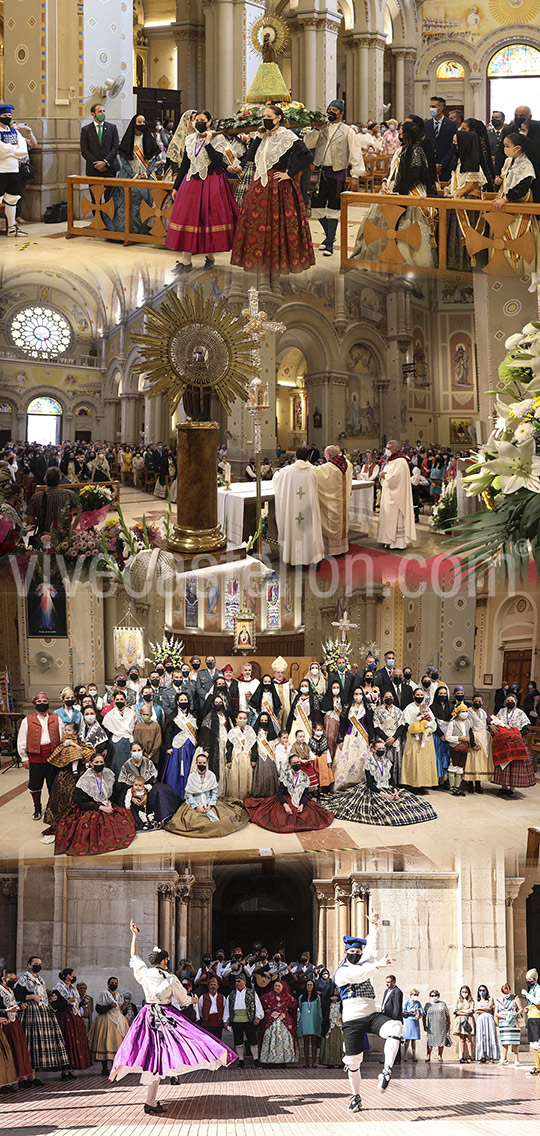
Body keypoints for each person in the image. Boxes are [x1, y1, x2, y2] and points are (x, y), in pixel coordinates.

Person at [111, 919, 234, 1115]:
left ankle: (150, 1100)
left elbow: (134, 956)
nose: (168, 962)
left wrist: (134, 935)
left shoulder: (144, 973)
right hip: (165, 1017)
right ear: (164, 960)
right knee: (185, 1043)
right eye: (167, 959)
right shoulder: (170, 978)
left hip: (147, 1016)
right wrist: (195, 1001)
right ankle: (151, 1101)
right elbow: (184, 1000)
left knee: (152, 1056)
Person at [231, 103, 315, 275]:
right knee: (257, 223)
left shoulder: (286, 136)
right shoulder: (263, 136)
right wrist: (259, 137)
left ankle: (278, 263)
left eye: (269, 117)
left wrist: (289, 173)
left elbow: (307, 156)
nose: (266, 120)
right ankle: (259, 262)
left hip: (278, 185)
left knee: (278, 224)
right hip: (259, 183)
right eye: (265, 117)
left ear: (279, 118)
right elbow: (250, 158)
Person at [334, 913, 402, 1113]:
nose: (356, 953)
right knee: (353, 1061)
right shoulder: (342, 972)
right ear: (346, 953)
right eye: (352, 951)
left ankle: (387, 1071)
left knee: (395, 1027)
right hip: (352, 1019)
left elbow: (372, 948)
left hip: (371, 1015)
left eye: (358, 951)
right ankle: (356, 1096)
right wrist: (378, 965)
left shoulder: (365, 963)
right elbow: (360, 974)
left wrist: (374, 925)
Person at [352, 121, 436, 268]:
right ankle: (378, 256)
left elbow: (414, 175)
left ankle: (404, 260)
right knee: (374, 224)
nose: (400, 134)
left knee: (406, 228)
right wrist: (384, 181)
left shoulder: (416, 150)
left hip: (409, 191)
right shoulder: (401, 149)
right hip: (390, 189)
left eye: (402, 131)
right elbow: (392, 170)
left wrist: (397, 191)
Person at [165, 109, 240, 272]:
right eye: (196, 120)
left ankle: (211, 256)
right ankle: (186, 261)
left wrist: (207, 143)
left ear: (209, 122)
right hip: (191, 183)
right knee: (188, 219)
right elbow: (185, 165)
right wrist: (176, 186)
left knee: (209, 219)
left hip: (212, 182)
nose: (198, 122)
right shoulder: (190, 139)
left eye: (202, 120)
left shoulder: (218, 138)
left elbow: (217, 162)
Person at [325, 738, 437, 826]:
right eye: (379, 748)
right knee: (389, 815)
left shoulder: (388, 762)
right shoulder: (369, 762)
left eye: (383, 749)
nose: (382, 751)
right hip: (375, 790)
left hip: (388, 787)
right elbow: (370, 784)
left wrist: (395, 791)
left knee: (420, 805)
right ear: (373, 749)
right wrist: (385, 795)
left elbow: (391, 780)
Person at [304, 99, 365, 257]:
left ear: (341, 114)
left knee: (333, 207)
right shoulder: (321, 129)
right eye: (329, 109)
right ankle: (330, 235)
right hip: (319, 171)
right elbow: (308, 143)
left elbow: (355, 153)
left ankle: (330, 243)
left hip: (337, 172)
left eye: (334, 110)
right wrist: (316, 130)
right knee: (316, 207)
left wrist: (355, 175)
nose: (331, 112)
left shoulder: (347, 131)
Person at [53, 751, 137, 856]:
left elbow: (112, 793)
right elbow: (80, 803)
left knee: (123, 821)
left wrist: (108, 803)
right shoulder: (85, 779)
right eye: (96, 762)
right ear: (91, 764)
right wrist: (99, 807)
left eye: (101, 762)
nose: (99, 764)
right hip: (90, 807)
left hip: (106, 803)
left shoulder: (108, 773)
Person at [165, 748, 249, 838]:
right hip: (194, 803)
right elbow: (189, 795)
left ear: (207, 763)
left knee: (222, 823)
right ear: (196, 763)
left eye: (204, 763)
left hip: (209, 802)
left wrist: (210, 805)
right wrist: (197, 807)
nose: (202, 765)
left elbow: (214, 793)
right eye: (200, 763)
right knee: (192, 822)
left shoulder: (211, 775)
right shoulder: (192, 777)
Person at [243, 750, 334, 833]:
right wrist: (285, 805)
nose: (297, 764)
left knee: (309, 817)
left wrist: (302, 804)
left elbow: (305, 793)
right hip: (286, 799)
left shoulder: (304, 776)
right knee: (284, 818)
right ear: (290, 765)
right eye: (294, 763)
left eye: (298, 762)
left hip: (300, 799)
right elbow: (280, 793)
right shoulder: (285, 775)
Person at [104, 114, 162, 234]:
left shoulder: (149, 138)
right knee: (126, 200)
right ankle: (124, 231)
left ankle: (144, 231)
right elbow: (124, 160)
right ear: (133, 124)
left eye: (143, 122)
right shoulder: (128, 140)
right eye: (139, 122)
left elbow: (154, 158)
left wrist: (147, 173)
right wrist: (133, 174)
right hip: (129, 175)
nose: (142, 124)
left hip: (146, 175)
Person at [14, 958, 70, 1078]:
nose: (38, 966)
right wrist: (32, 996)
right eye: (36, 964)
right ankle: (24, 1077)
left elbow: (42, 995)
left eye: (40, 964)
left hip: (42, 1011)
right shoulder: (25, 978)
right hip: (31, 1012)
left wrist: (50, 999)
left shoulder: (40, 978)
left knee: (38, 1045)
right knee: (30, 1042)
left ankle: (33, 1076)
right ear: (29, 965)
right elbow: (17, 995)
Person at [491, 133, 538, 274]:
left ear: (518, 148)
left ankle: (520, 271)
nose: (505, 149)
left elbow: (522, 187)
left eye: (507, 146)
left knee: (518, 237)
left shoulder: (526, 165)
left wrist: (506, 198)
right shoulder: (509, 161)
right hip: (504, 204)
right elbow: (507, 178)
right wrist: (499, 180)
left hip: (518, 204)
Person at [273, 446, 324, 567]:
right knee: (310, 529)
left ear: (295, 457)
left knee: (293, 528)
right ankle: (311, 557)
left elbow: (276, 480)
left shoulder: (286, 471)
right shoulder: (313, 471)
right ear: (307, 458)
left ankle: (292, 558)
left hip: (293, 509)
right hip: (308, 509)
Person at [17, 692, 64, 821]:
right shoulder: (27, 720)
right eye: (39, 702)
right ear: (34, 704)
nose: (42, 704)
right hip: (35, 757)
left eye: (44, 701)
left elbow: (62, 738)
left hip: (52, 757)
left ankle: (52, 807)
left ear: (48, 703)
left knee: (52, 784)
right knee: (35, 785)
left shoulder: (56, 719)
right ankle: (37, 807)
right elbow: (21, 740)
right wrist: (24, 758)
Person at [42, 722, 94, 830]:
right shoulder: (66, 739)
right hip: (66, 766)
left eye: (69, 730)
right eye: (66, 730)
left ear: (75, 731)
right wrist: (75, 746)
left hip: (80, 767)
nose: (67, 732)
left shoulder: (78, 738)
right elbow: (67, 744)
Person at [490, 695, 535, 798]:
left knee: (514, 765)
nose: (509, 702)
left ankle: (512, 788)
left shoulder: (520, 713)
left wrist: (516, 734)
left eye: (512, 700)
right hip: (503, 743)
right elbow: (495, 722)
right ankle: (503, 787)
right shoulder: (501, 711)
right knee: (503, 763)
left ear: (516, 701)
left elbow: (526, 728)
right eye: (508, 701)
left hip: (516, 742)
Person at [494, 105, 540, 202]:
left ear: (529, 116)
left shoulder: (537, 128)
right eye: (516, 115)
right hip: (512, 169)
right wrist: (498, 175)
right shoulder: (508, 130)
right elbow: (500, 153)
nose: (518, 118)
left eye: (522, 115)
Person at [315, 445, 353, 557]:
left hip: (331, 504)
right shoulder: (348, 465)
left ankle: (332, 550)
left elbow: (314, 476)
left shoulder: (326, 469)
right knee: (342, 521)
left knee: (331, 522)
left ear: (329, 455)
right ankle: (342, 548)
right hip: (343, 502)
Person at [50, 968, 92, 1072]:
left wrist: (83, 1002)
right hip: (65, 1017)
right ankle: (64, 1070)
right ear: (67, 976)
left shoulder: (73, 988)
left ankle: (71, 1069)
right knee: (67, 1041)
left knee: (75, 1042)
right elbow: (55, 1005)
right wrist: (68, 1002)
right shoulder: (58, 988)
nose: (73, 977)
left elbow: (75, 1004)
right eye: (72, 975)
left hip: (74, 1017)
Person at [377, 441, 416, 550]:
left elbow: (396, 479)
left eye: (388, 448)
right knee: (388, 517)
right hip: (388, 494)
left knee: (396, 518)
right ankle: (388, 540)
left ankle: (397, 542)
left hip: (396, 497)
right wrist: (382, 475)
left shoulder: (401, 461)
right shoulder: (391, 460)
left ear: (395, 449)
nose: (386, 450)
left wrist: (385, 475)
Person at [333, 687, 372, 792]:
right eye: (356, 693)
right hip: (349, 737)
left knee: (362, 761)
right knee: (346, 761)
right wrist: (340, 739)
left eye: (360, 693)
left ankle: (361, 783)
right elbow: (342, 724)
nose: (358, 695)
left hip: (363, 738)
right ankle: (345, 785)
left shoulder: (367, 707)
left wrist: (372, 740)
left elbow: (370, 724)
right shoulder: (347, 707)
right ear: (352, 694)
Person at [89, 977, 130, 1076]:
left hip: (118, 1021)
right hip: (106, 1020)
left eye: (116, 983)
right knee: (105, 1043)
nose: (114, 984)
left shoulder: (119, 995)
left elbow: (121, 1011)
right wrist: (109, 1006)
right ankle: (104, 1068)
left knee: (117, 1044)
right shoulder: (104, 994)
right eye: (112, 983)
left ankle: (115, 1067)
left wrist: (124, 1008)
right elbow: (98, 1008)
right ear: (108, 984)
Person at [0, 103, 29, 237]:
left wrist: (10, 151)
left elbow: (23, 150)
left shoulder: (15, 131)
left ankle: (11, 229)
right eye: (5, 116)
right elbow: (1, 150)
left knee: (12, 199)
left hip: (13, 170)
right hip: (0, 171)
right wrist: (13, 149)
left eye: (9, 116)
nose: (8, 118)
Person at [0, 973, 34, 1087]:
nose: (14, 981)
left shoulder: (10, 990)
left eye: (15, 979)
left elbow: (12, 1004)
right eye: (11, 979)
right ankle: (6, 1083)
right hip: (5, 1023)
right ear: (3, 979)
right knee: (7, 1052)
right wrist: (6, 1011)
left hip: (14, 1022)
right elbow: (3, 1008)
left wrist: (19, 1006)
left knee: (18, 1049)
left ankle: (19, 1079)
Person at [401, 691, 438, 793]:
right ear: (413, 696)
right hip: (414, 737)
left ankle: (422, 785)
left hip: (426, 738)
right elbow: (406, 723)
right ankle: (412, 785)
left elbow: (433, 723)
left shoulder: (427, 707)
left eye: (421, 695)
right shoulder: (409, 708)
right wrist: (415, 730)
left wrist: (429, 730)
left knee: (424, 761)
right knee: (413, 760)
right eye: (417, 695)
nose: (419, 697)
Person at [223, 974, 264, 1067]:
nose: (237, 983)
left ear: (244, 982)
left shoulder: (252, 993)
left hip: (249, 1020)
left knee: (253, 1040)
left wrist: (258, 1017)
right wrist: (225, 1020)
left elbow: (257, 1005)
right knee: (238, 1041)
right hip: (236, 1021)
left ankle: (255, 1059)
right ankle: (241, 1060)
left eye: (239, 981)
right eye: (236, 981)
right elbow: (227, 1008)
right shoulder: (231, 995)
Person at [26, 467, 79, 537]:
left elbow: (29, 520)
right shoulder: (70, 494)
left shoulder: (37, 497)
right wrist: (73, 527)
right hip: (65, 536)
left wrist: (39, 521)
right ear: (60, 480)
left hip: (44, 536)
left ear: (45, 479)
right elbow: (82, 510)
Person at [162, 693, 198, 798]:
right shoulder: (173, 716)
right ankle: (175, 794)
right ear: (177, 702)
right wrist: (168, 747)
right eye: (181, 700)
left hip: (190, 748)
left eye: (185, 699)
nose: (183, 702)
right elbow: (168, 733)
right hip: (176, 749)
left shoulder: (193, 715)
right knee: (175, 772)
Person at [259, 979, 298, 1066]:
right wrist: (267, 1010)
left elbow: (294, 1003)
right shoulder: (268, 995)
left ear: (282, 987)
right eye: (275, 986)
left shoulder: (287, 996)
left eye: (278, 986)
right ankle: (269, 1060)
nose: (277, 987)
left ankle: (283, 1060)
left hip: (284, 1020)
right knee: (270, 1037)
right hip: (271, 1020)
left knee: (284, 1039)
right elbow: (260, 1002)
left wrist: (287, 1009)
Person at [102, 691, 138, 778]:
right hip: (116, 744)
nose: (119, 701)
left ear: (125, 700)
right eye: (117, 699)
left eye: (121, 699)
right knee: (118, 766)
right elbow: (107, 731)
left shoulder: (131, 713)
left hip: (130, 742)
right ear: (114, 701)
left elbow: (136, 727)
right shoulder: (110, 715)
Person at [80, 102, 120, 178]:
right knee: (95, 190)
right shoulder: (86, 130)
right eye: (100, 111)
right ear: (93, 114)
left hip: (109, 168)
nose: (103, 113)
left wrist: (105, 162)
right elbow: (84, 150)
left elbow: (115, 147)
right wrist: (97, 165)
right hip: (93, 169)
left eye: (103, 111)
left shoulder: (112, 128)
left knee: (110, 190)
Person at [424, 95, 455, 181]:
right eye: (430, 106)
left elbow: (452, 146)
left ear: (441, 108)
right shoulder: (426, 124)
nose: (431, 109)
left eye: (433, 107)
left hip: (446, 166)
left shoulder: (451, 125)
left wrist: (441, 165)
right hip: (429, 166)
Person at [495, 984, 523, 1067]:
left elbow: (521, 1008)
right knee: (504, 1041)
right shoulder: (499, 1000)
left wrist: (516, 1014)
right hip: (503, 1022)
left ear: (509, 990)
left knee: (515, 1041)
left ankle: (516, 1059)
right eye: (504, 992)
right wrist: (502, 1016)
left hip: (513, 1021)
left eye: (507, 991)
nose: (505, 993)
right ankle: (504, 1058)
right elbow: (496, 1012)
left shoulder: (515, 997)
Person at [297, 979, 323, 1068]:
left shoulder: (317, 997)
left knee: (314, 1041)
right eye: (308, 985)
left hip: (314, 1020)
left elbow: (319, 1008)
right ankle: (307, 1062)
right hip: (305, 1020)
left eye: (311, 985)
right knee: (306, 1041)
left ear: (313, 986)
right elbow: (300, 1008)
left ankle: (314, 1062)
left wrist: (320, 1019)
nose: (309, 986)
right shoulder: (301, 997)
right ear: (305, 986)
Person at [521, 966, 540, 1075]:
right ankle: (538, 1067)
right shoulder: (532, 990)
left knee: (537, 1043)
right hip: (532, 1017)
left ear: (535, 980)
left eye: (530, 979)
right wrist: (528, 1008)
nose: (528, 981)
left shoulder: (538, 989)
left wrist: (527, 995)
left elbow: (537, 1001)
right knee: (534, 1044)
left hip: (537, 1018)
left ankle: (539, 1067)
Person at [475, 985, 500, 1063]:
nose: (482, 992)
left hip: (489, 1018)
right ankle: (482, 1056)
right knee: (481, 1037)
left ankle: (492, 1056)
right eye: (480, 990)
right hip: (481, 1019)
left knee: (491, 1036)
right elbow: (476, 1010)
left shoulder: (490, 999)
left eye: (483, 990)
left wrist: (480, 1009)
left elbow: (490, 1007)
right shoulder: (477, 1001)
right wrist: (484, 1009)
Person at [423, 989, 450, 1062]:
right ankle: (428, 1055)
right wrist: (424, 1024)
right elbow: (424, 1015)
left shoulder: (443, 1004)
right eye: (432, 995)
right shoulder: (428, 1004)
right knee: (430, 1041)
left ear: (438, 996)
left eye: (435, 995)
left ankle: (440, 1055)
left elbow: (447, 1014)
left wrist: (449, 1024)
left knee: (441, 1040)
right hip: (431, 1025)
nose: (434, 997)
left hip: (441, 1025)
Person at [381, 976, 403, 1065]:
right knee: (388, 1040)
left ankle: (396, 1059)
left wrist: (394, 1020)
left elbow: (397, 1007)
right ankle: (388, 1059)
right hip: (386, 1017)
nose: (387, 984)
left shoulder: (397, 992)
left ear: (394, 982)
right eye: (386, 982)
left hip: (393, 1019)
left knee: (395, 1039)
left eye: (389, 982)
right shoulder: (386, 991)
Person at [453, 985, 476, 1063]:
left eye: (466, 992)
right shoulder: (458, 1001)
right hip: (460, 1021)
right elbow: (456, 1011)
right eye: (463, 992)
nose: (464, 993)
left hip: (469, 1020)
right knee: (462, 1039)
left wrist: (462, 1011)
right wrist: (465, 1012)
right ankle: (462, 1056)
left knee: (469, 1039)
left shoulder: (471, 1001)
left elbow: (472, 1010)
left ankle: (471, 1056)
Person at [402, 989, 423, 1062]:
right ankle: (405, 1054)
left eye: (417, 995)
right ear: (410, 995)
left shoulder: (418, 1003)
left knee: (414, 1039)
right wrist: (410, 1011)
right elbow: (403, 1013)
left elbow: (422, 1013)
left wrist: (418, 1017)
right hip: (408, 1021)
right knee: (407, 1039)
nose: (415, 996)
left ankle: (414, 1055)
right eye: (414, 995)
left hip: (415, 1021)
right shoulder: (406, 1003)